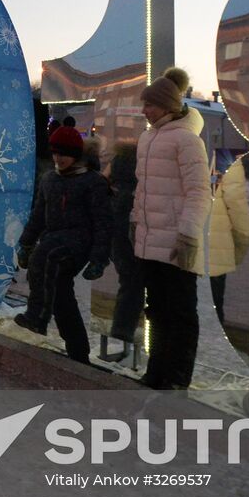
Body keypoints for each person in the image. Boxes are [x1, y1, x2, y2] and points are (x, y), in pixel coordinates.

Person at [132, 72, 211, 390]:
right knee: (157, 311)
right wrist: (135, 221)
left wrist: (189, 235)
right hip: (150, 241)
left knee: (180, 314)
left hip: (177, 242)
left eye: (149, 104)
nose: (144, 110)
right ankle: (156, 373)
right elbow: (143, 190)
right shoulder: (148, 138)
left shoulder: (187, 140)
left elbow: (199, 192)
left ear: (166, 105)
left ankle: (177, 379)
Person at [13, 125, 112, 363]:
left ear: (76, 154)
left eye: (64, 154)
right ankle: (78, 351)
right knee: (59, 293)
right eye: (55, 153)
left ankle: (38, 317)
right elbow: (38, 216)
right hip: (54, 237)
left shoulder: (92, 181)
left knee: (50, 259)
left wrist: (99, 258)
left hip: (79, 242)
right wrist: (26, 244)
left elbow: (102, 222)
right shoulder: (50, 180)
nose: (59, 159)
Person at [205, 161, 249, 326]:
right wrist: (243, 240)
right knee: (211, 307)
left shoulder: (163, 142)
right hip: (211, 244)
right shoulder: (224, 155)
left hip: (170, 244)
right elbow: (236, 202)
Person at [107, 141, 142, 357]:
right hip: (129, 231)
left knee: (130, 283)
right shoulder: (133, 194)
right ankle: (122, 334)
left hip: (118, 229)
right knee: (134, 284)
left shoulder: (120, 159)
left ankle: (121, 335)